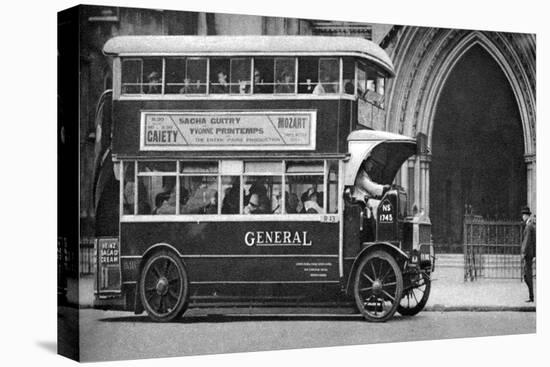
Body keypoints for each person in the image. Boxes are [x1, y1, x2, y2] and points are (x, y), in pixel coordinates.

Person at [520, 206, 536, 302]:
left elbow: (526, 241)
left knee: (527, 275)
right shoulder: (530, 225)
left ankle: (531, 296)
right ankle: (531, 296)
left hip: (528, 254)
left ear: (526, 215)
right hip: (530, 254)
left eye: (523, 215)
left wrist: (523, 253)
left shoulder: (529, 226)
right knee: (527, 275)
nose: (522, 216)